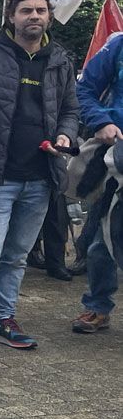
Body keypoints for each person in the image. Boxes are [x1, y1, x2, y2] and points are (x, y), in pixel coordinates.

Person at [0, 0, 78, 353]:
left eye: (40, 10)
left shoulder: (60, 60)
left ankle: (2, 316)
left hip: (41, 176)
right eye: (26, 11)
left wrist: (66, 135)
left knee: (17, 256)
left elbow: (71, 108)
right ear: (11, 16)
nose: (34, 16)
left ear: (49, 17)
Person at [72, 30, 123, 333]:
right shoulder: (118, 45)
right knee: (103, 238)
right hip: (117, 159)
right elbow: (84, 90)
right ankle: (98, 305)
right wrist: (101, 121)